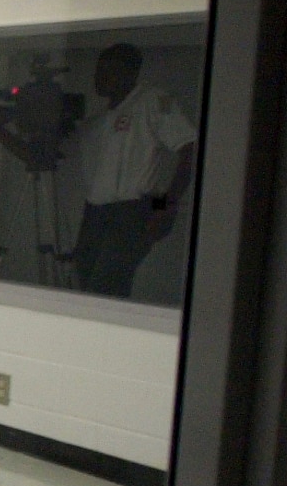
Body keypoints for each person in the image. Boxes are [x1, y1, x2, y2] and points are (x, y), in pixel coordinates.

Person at [67, 42, 197, 298]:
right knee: (85, 283)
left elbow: (188, 148)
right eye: (99, 71)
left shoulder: (151, 100)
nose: (101, 78)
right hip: (95, 212)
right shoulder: (97, 120)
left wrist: (164, 207)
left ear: (131, 73)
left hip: (132, 210)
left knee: (105, 286)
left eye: (110, 71)